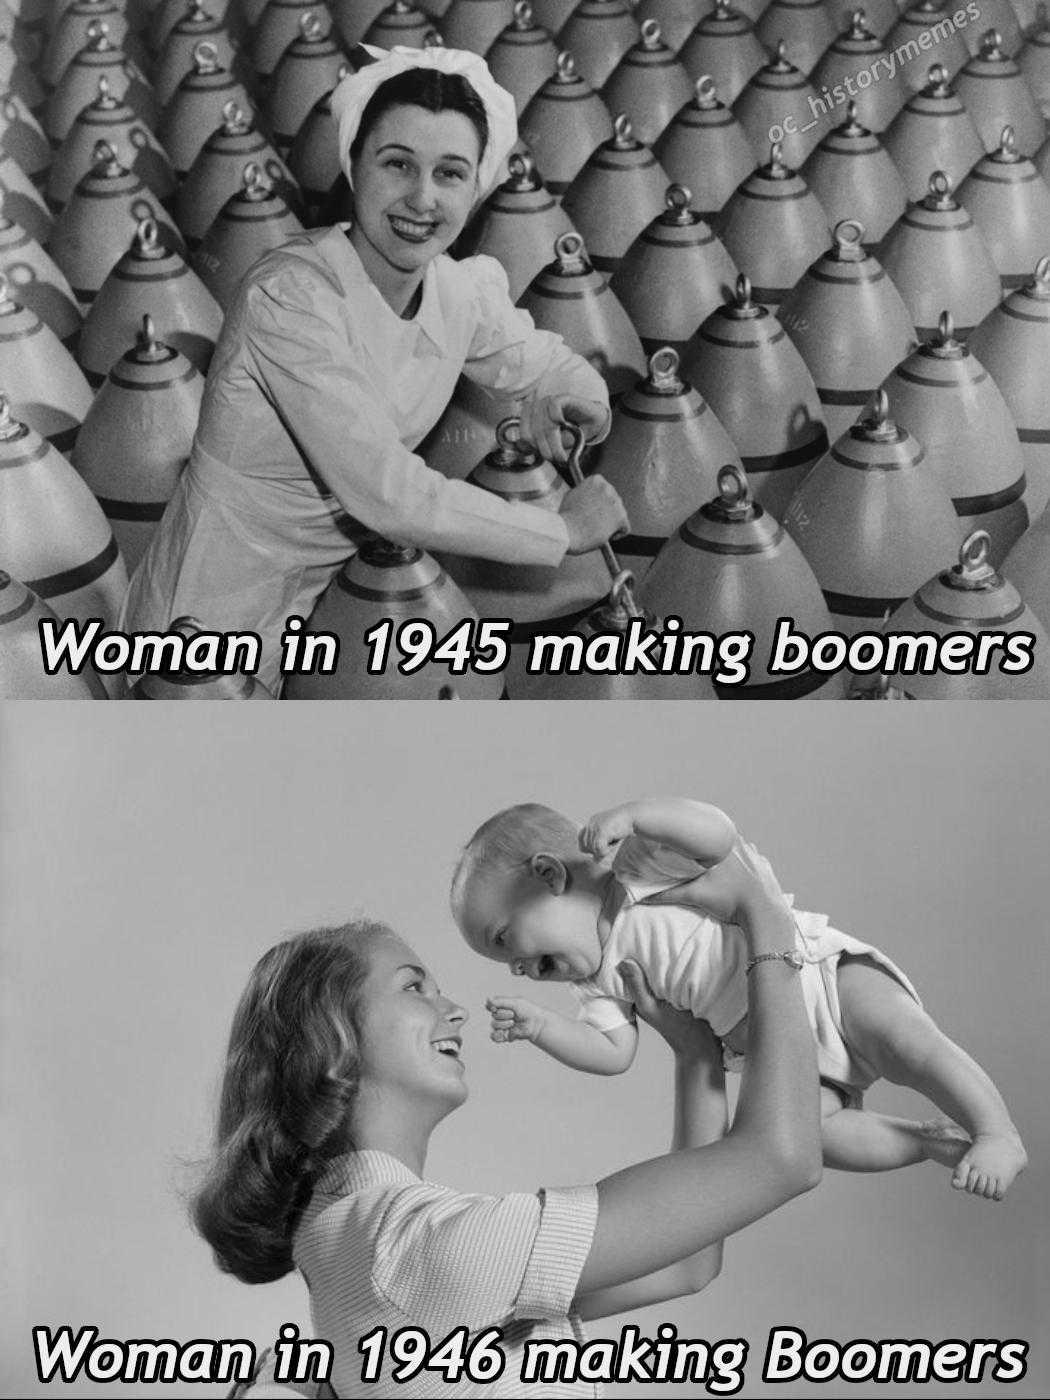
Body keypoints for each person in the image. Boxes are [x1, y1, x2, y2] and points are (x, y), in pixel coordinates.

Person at [195, 843, 823, 1398]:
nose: (455, 1009)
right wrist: (765, 918)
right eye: (414, 987)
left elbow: (685, 1264)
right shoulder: (413, 1250)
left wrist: (695, 1058)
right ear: (333, 1042)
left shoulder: (351, 1249)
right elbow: (782, 1156)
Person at [121, 46, 627, 695]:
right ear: (356, 166)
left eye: (450, 173)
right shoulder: (291, 298)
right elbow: (388, 493)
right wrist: (560, 530)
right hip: (215, 599)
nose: (422, 197)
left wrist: (574, 398)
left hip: (338, 603)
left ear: (477, 189)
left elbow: (540, 361)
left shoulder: (457, 291)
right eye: (398, 164)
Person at [451, 798, 1028, 1201]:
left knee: (912, 1046)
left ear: (550, 874)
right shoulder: (597, 980)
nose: (519, 968)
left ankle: (996, 1131)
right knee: (812, 1138)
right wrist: (543, 1027)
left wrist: (637, 814)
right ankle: (927, 1142)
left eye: (506, 940)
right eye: (506, 966)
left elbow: (717, 836)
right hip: (776, 1054)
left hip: (821, 982)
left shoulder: (634, 870)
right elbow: (612, 1054)